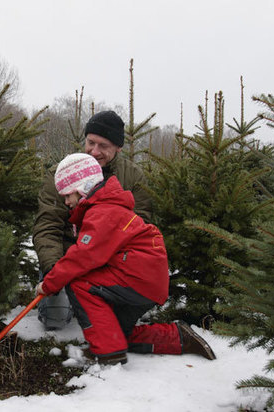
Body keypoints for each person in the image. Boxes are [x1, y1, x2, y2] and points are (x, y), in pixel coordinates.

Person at [34, 153, 216, 365]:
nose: (65, 202)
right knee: (115, 333)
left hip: (136, 279)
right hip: (145, 281)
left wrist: (49, 284)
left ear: (82, 188)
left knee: (79, 282)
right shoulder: (105, 207)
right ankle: (178, 337)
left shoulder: (103, 211)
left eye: (67, 195)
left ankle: (108, 354)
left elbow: (82, 257)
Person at [33, 110, 152, 329]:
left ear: (118, 148)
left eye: (103, 146)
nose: (94, 151)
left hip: (110, 261)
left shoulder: (133, 177)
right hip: (66, 258)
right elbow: (47, 225)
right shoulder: (61, 174)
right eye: (90, 142)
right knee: (55, 319)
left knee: (112, 322)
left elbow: (140, 228)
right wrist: (53, 271)